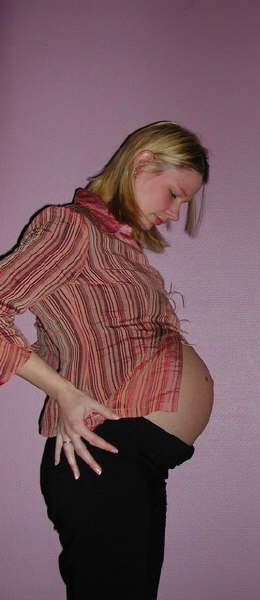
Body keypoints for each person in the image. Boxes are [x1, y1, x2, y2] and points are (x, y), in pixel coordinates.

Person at [0, 121, 214, 599]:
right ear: (143, 163)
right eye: (174, 194)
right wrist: (64, 394)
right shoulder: (71, 227)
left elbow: (71, 341)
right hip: (103, 453)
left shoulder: (121, 247)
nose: (174, 213)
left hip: (132, 460)